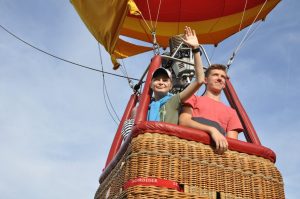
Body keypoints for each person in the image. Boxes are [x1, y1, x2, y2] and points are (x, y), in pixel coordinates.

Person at [179, 64, 243, 154]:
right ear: (205, 80)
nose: (219, 78)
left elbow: (232, 144)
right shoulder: (193, 99)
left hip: (215, 155)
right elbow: (184, 121)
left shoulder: (231, 112)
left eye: (223, 77)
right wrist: (212, 130)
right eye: (215, 75)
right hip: (190, 148)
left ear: (224, 84)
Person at [147, 26, 205, 124]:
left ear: (171, 85)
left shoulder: (174, 100)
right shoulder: (146, 105)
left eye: (165, 80)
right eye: (157, 79)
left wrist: (195, 49)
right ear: (151, 84)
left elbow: (199, 80)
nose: (161, 82)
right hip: (149, 139)